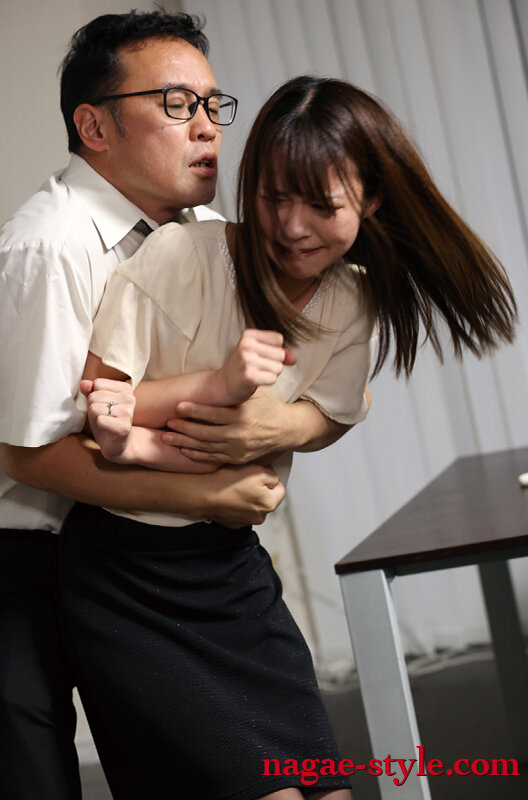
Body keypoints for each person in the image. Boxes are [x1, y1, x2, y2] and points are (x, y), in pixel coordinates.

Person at [58, 76, 516, 800]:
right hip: (124, 574)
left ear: (370, 201)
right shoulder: (182, 258)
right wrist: (216, 393)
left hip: (231, 568)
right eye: (274, 199)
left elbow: (335, 411)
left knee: (328, 787)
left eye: (322, 206)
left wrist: (289, 425)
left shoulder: (352, 300)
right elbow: (97, 404)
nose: (293, 226)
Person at [0, 14, 351, 799]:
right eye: (175, 104)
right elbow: (25, 453)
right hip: (27, 557)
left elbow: (322, 382)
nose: (206, 128)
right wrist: (208, 494)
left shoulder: (206, 234)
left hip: (172, 556)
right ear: (94, 126)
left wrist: (286, 428)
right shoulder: (49, 246)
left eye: (213, 105)